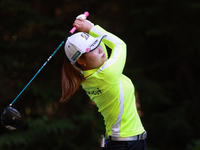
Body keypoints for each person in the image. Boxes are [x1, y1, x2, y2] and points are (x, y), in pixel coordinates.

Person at [60, 14, 147, 150]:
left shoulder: (88, 76)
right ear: (81, 61)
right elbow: (119, 45)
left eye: (96, 43)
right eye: (91, 48)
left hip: (123, 142)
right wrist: (91, 28)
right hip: (126, 144)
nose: (99, 48)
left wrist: (86, 29)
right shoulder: (106, 74)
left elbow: (103, 49)